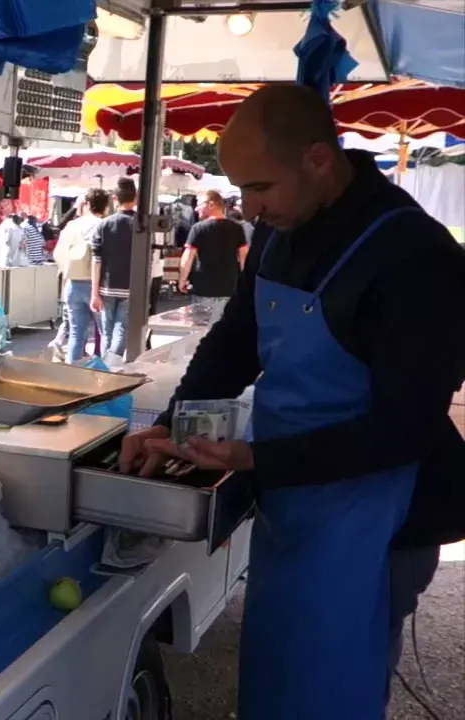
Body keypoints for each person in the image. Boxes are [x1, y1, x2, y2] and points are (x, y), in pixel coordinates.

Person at [117, 84, 465, 720]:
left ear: (319, 159)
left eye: (261, 188)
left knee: (337, 692)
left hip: (380, 521)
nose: (249, 207)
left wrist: (256, 460)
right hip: (293, 509)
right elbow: (235, 341)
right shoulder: (279, 232)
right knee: (278, 680)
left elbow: (404, 429)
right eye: (242, 189)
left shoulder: (416, 257)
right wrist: (173, 424)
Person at [53, 189, 110, 363]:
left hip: (73, 283)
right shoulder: (104, 225)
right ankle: (106, 373)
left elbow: (58, 254)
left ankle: (73, 373)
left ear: (86, 204)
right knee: (105, 332)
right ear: (105, 206)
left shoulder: (72, 225)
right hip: (98, 285)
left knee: (76, 334)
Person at [89, 178, 138, 358]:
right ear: (136, 198)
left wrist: (94, 293)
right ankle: (111, 364)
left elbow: (96, 260)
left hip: (106, 286)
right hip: (130, 286)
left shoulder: (103, 225)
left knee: (107, 332)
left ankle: (106, 366)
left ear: (115, 199)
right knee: (121, 329)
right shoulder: (140, 225)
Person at [179, 189, 249, 303]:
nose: (196, 209)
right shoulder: (237, 229)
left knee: (201, 320)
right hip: (230, 290)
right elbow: (244, 257)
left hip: (203, 289)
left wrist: (182, 279)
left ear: (211, 204)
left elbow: (188, 257)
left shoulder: (198, 228)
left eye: (200, 204)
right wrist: (245, 282)